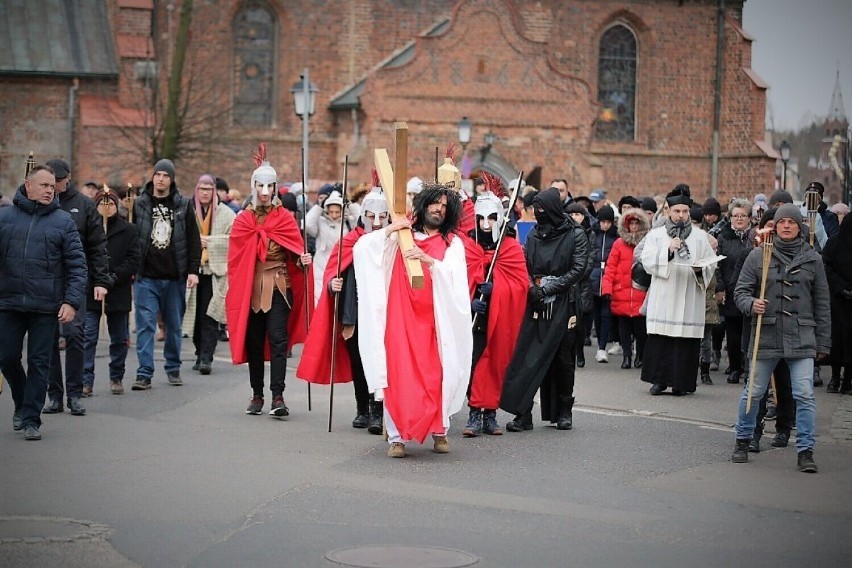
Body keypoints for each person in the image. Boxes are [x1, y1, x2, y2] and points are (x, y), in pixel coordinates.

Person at [354, 184, 472, 457]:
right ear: (423, 204)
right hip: (400, 316)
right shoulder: (402, 235)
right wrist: (388, 230)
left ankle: (439, 430)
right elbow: (363, 249)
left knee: (437, 374)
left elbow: (455, 281)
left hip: (434, 320)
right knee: (398, 373)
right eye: (434, 203)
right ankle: (396, 438)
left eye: (443, 206)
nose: (438, 209)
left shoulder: (452, 243)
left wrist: (429, 260)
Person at [732, 204, 830, 473]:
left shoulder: (813, 259)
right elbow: (739, 292)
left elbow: (822, 303)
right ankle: (742, 439)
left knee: (805, 394)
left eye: (792, 221)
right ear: (774, 226)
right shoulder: (758, 255)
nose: (786, 225)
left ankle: (806, 450)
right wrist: (752, 304)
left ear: (800, 226)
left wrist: (824, 341)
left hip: (802, 334)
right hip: (767, 333)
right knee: (753, 391)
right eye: (781, 221)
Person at [0, 165, 87, 440]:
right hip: (9, 302)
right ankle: (22, 398)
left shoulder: (63, 222)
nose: (50, 190)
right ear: (28, 185)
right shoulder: (5, 218)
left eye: (53, 186)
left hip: (46, 306)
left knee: (39, 363)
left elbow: (77, 266)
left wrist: (71, 302)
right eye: (44, 185)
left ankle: (30, 418)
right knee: (7, 356)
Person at [226, 147, 312, 417]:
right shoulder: (243, 221)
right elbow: (236, 259)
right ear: (253, 187)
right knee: (254, 342)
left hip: (278, 285)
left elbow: (295, 252)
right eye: (260, 185)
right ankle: (256, 394)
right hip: (251, 288)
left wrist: (303, 261)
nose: (265, 191)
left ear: (275, 188)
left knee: (277, 340)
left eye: (269, 186)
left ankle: (277, 396)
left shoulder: (285, 218)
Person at [297, 182, 389, 433]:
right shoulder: (351, 241)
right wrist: (331, 283)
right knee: (359, 361)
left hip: (383, 311)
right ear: (363, 215)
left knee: (379, 361)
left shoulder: (392, 241)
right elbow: (334, 269)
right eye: (371, 216)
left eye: (382, 216)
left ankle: (377, 410)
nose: (377, 221)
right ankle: (362, 408)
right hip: (355, 309)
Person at [500, 187, 589, 432]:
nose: (538, 215)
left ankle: (564, 411)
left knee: (562, 360)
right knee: (529, 357)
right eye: (534, 211)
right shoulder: (534, 235)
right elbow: (524, 264)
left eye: (542, 211)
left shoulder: (576, 234)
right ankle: (523, 412)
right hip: (536, 301)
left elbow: (578, 269)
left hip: (563, 302)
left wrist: (549, 289)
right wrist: (532, 289)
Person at [43, 158, 111, 416]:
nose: (54, 187)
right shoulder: (42, 204)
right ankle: (54, 395)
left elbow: (98, 246)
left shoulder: (83, 205)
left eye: (58, 181)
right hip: (46, 282)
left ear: (67, 179)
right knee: (47, 338)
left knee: (74, 335)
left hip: (75, 280)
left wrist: (101, 280)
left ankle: (75, 392)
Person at [460, 187, 528, 437]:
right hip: (474, 317)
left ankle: (490, 413)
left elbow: (521, 285)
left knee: (496, 362)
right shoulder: (467, 245)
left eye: (491, 218)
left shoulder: (509, 247)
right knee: (475, 363)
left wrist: (497, 287)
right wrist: (470, 301)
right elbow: (456, 281)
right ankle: (474, 412)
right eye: (481, 218)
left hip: (499, 316)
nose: (486, 224)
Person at [131, 159, 202, 390]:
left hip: (174, 277)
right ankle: (144, 372)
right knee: (145, 325)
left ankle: (173, 367)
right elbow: (132, 237)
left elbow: (193, 240)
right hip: (146, 277)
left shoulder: (182, 204)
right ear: (152, 177)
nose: (160, 179)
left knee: (174, 326)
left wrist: (193, 270)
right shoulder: (140, 204)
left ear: (172, 179)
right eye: (157, 174)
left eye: (165, 175)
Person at [640, 184, 716, 395]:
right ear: (668, 212)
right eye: (676, 211)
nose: (681, 215)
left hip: (689, 293)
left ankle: (681, 383)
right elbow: (646, 260)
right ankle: (659, 381)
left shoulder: (700, 237)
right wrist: (668, 251)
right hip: (664, 294)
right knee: (661, 340)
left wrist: (701, 268)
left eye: (684, 211)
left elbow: (711, 263)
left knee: (684, 342)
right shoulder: (656, 235)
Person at [82, 190, 141, 395]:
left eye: (111, 204)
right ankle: (85, 379)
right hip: (92, 291)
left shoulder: (129, 230)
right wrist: (96, 280)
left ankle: (116, 375)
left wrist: (112, 278)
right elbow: (82, 258)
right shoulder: (89, 229)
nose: (107, 208)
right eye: (102, 204)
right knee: (88, 337)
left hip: (118, 291)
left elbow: (133, 259)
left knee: (119, 337)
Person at [182, 174, 236, 375]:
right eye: (201, 189)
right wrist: (197, 243)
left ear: (214, 191)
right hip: (194, 272)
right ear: (196, 191)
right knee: (194, 315)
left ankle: (207, 357)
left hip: (216, 272)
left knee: (210, 315)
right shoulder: (188, 211)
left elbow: (233, 240)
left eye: (208, 189)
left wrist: (209, 242)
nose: (205, 193)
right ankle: (199, 352)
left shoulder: (227, 214)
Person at [602, 209, 649, 369]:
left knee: (640, 329)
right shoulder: (619, 244)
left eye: (637, 223)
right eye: (632, 223)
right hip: (621, 290)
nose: (634, 227)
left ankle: (641, 355)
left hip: (640, 291)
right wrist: (607, 288)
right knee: (624, 327)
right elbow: (610, 267)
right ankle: (627, 356)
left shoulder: (647, 243)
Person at [716, 199, 753, 384]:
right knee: (732, 333)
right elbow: (718, 265)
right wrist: (720, 287)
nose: (739, 219)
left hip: (750, 292)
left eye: (743, 215)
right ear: (730, 218)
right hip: (731, 290)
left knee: (749, 332)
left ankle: (748, 368)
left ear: (750, 218)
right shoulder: (723, 237)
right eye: (735, 215)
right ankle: (735, 367)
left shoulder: (754, 238)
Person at [305, 189, 351, 305]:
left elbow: (360, 221)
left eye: (337, 211)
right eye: (331, 212)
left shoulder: (348, 224)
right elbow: (307, 224)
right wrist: (318, 206)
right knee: (318, 298)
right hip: (320, 264)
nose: (334, 215)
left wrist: (351, 203)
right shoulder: (320, 222)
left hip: (339, 265)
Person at [823, 214, 852, 394]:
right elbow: (827, 267)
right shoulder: (834, 243)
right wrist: (841, 288)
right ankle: (835, 377)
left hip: (845, 301)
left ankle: (847, 379)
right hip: (837, 301)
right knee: (837, 341)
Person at [589, 206, 617, 363]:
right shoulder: (593, 235)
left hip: (608, 278)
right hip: (594, 278)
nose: (605, 225)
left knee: (606, 314)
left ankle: (602, 347)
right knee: (597, 315)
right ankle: (600, 342)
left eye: (608, 222)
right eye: (603, 221)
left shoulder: (615, 238)